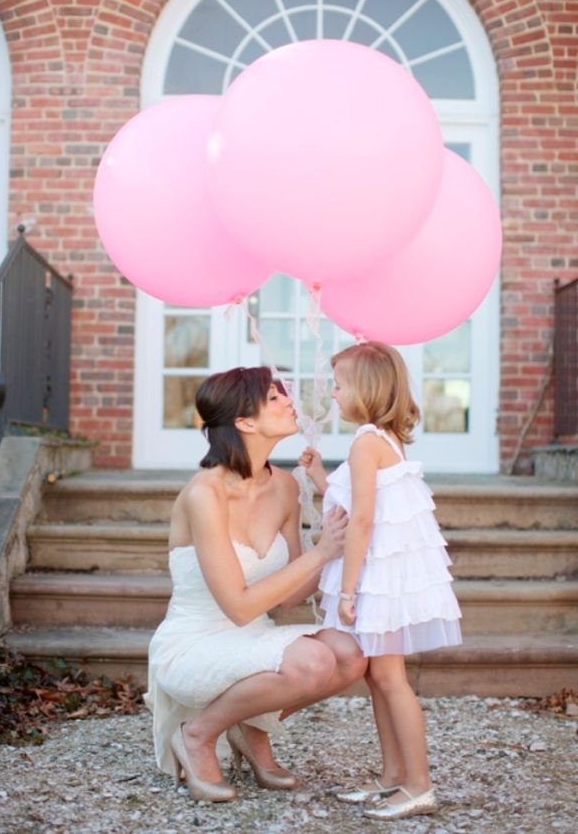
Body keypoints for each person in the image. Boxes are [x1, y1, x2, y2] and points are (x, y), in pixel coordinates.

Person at [145, 366, 366, 803]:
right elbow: (240, 608)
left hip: (255, 638)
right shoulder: (204, 495)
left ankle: (252, 726)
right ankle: (198, 735)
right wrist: (322, 552)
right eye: (274, 397)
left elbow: (290, 598)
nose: (289, 402)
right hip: (194, 643)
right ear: (244, 422)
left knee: (350, 655)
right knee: (311, 662)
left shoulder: (284, 486)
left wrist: (342, 539)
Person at [299, 341, 462, 821]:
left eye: (339, 385)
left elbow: (363, 522)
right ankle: (393, 775)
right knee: (376, 675)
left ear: (365, 392)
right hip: (383, 572)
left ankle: (418, 785)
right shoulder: (380, 439)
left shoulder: (366, 442)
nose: (332, 393)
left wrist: (347, 592)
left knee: (390, 678)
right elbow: (353, 501)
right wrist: (320, 478)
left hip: (379, 577)